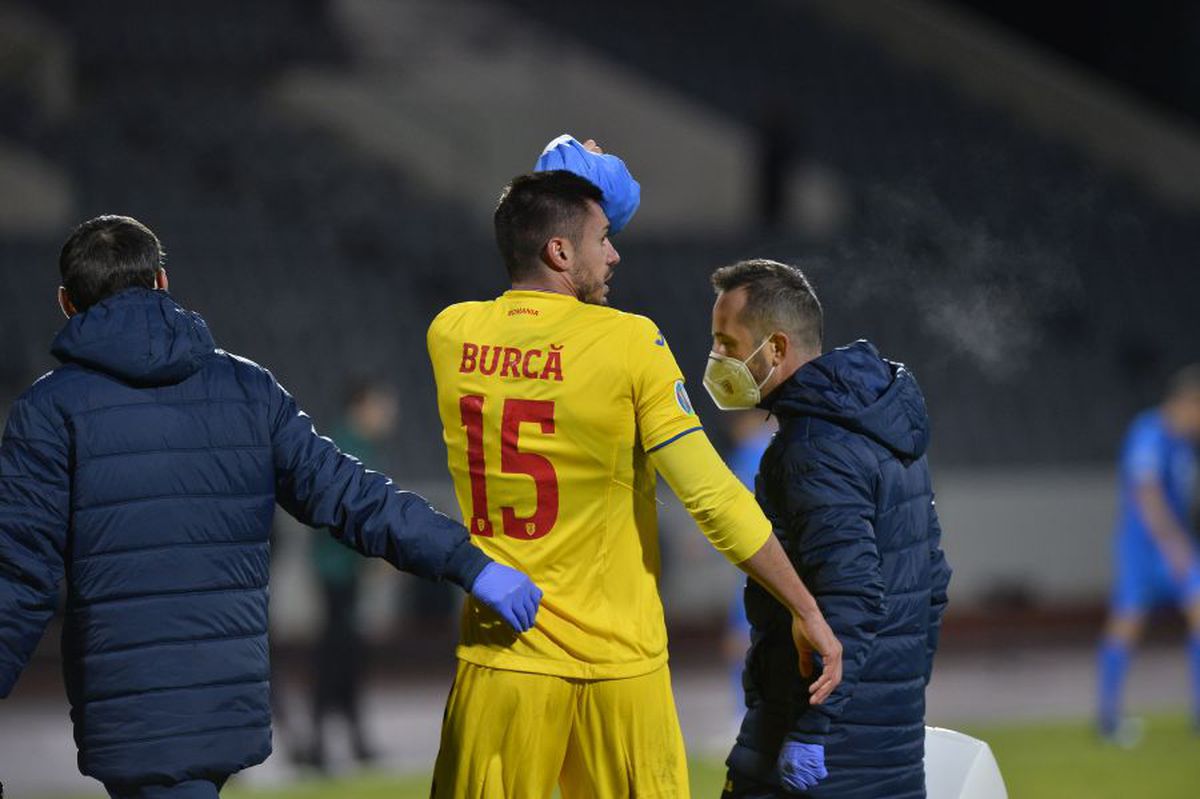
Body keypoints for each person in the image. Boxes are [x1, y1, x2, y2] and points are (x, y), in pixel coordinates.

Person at [0, 215, 542, 799]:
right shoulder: (249, 389)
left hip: (132, 708)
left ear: (66, 302)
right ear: (161, 282)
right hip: (225, 702)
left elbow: (18, 575)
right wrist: (467, 561)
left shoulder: (48, 411)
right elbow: (353, 494)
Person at [423, 137, 842, 799]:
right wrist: (804, 605)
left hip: (502, 662)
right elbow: (711, 496)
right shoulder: (629, 342)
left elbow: (535, 220)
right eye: (602, 239)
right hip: (616, 669)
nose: (614, 253)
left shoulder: (451, 334)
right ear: (561, 253)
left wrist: (560, 180)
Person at [706, 259, 951, 799]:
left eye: (727, 343)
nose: (717, 358)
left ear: (774, 348)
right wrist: (897, 702)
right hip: (890, 742)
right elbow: (933, 582)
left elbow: (851, 592)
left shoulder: (814, 448)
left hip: (815, 747)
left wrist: (813, 730)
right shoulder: (880, 426)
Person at [1097, 366, 1200, 742]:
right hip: (1143, 548)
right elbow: (1147, 493)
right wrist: (1174, 545)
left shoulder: (1184, 445)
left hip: (1175, 543)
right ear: (1189, 402)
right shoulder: (1149, 431)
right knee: (1128, 622)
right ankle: (1108, 719)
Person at [303, 379, 398, 770]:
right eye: (380, 404)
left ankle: (344, 740)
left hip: (338, 569)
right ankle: (320, 744)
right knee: (337, 657)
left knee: (345, 655)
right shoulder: (350, 449)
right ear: (361, 406)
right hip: (337, 570)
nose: (387, 413)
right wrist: (375, 554)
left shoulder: (346, 445)